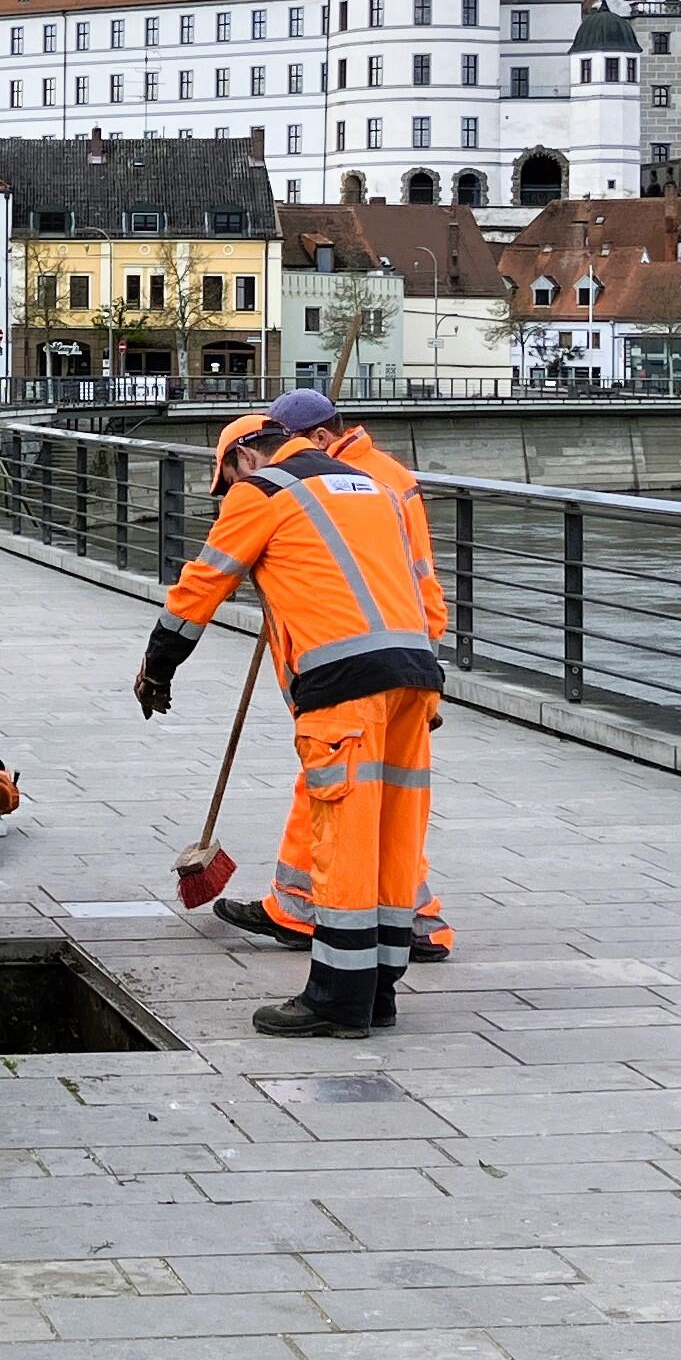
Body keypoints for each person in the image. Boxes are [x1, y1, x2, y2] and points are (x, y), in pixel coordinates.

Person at [132, 413, 442, 1038]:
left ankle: (336, 1000)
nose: (229, 494)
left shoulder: (263, 491)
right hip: (414, 674)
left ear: (246, 457)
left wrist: (158, 666)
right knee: (391, 836)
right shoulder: (367, 487)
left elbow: (203, 585)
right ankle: (378, 991)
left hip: (343, 687)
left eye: (227, 479)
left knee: (347, 840)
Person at [211, 389, 457, 963]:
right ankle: (303, 907)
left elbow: (413, 584)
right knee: (342, 789)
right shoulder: (362, 477)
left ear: (316, 440)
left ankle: (405, 923)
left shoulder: (361, 482)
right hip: (386, 666)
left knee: (368, 799)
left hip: (367, 672)